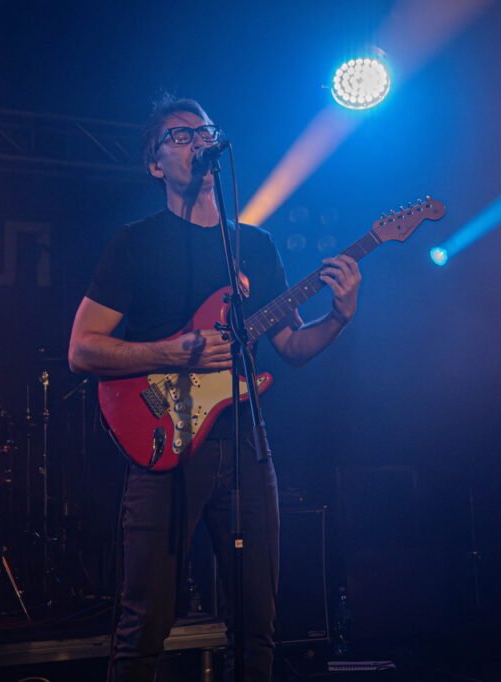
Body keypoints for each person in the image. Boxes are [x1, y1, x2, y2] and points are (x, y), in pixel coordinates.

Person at [68, 95, 362, 682]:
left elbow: (292, 347)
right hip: (163, 443)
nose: (197, 141)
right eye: (179, 136)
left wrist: (339, 316)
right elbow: (82, 349)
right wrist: (169, 352)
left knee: (257, 624)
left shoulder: (254, 247)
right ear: (155, 164)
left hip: (246, 444)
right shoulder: (134, 243)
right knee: (145, 622)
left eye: (203, 132)